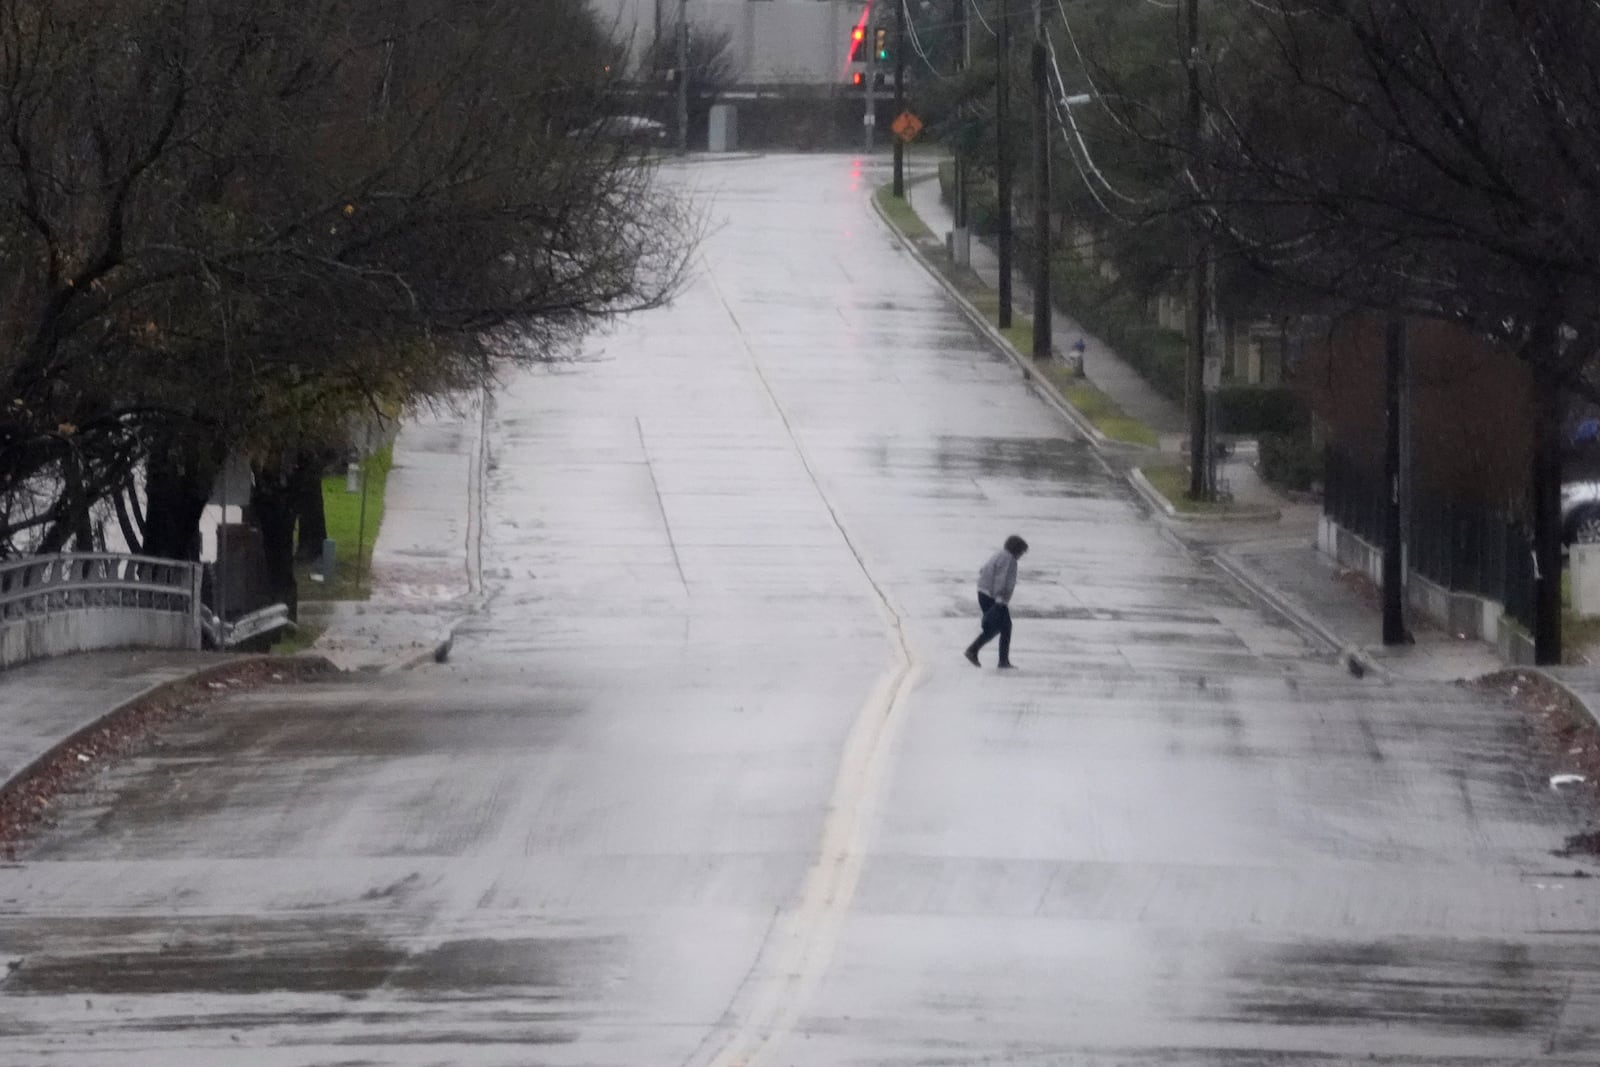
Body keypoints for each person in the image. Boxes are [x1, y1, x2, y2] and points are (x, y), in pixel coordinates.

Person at [964, 534, 1028, 669]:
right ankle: (994, 658)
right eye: (1022, 551)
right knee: (1005, 627)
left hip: (983, 592)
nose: (1022, 555)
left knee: (997, 627)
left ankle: (976, 651)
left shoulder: (999, 555)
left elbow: (983, 570)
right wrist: (1000, 598)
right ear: (1016, 549)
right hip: (994, 597)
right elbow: (1002, 579)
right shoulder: (1009, 559)